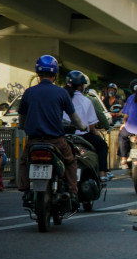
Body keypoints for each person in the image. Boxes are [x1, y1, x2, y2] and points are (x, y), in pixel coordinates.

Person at [18, 55, 86, 207]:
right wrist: (82, 127)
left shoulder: (29, 92)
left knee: (23, 161)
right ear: (55, 74)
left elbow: (22, 117)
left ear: (38, 74)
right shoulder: (61, 92)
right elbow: (74, 117)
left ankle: (24, 188)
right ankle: (73, 192)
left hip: (34, 141)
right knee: (70, 162)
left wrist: (22, 127)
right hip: (56, 141)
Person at [63, 71, 110, 182]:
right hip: (82, 136)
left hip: (63, 136)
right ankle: (102, 174)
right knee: (103, 146)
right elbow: (91, 125)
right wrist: (96, 133)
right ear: (81, 86)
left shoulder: (62, 98)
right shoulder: (86, 101)